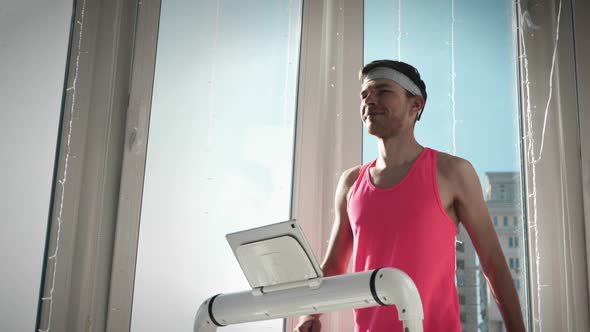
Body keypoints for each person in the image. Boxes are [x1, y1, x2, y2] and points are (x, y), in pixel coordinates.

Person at [294, 60, 525, 331]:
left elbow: (493, 262)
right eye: (364, 94)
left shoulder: (453, 172)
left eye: (382, 91)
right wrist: (310, 315)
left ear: (415, 104)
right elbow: (333, 264)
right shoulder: (351, 182)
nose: (369, 100)